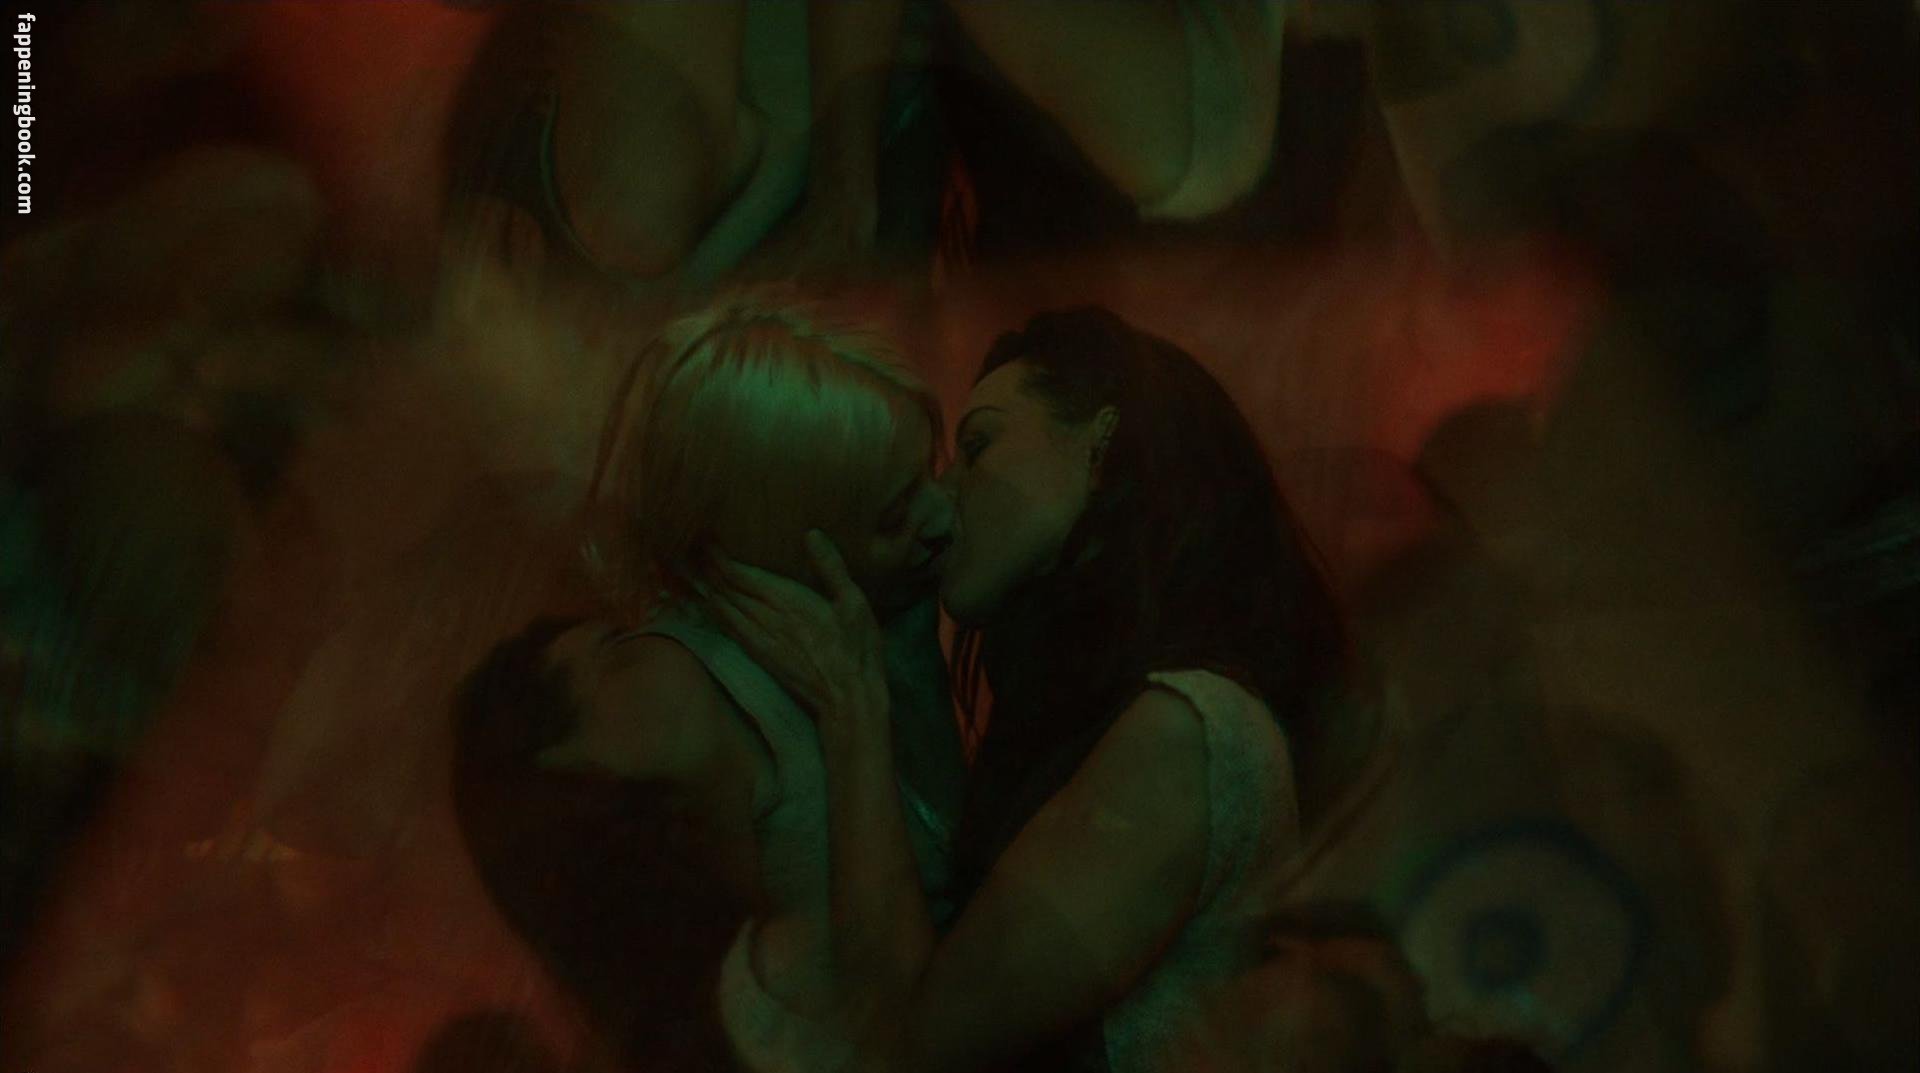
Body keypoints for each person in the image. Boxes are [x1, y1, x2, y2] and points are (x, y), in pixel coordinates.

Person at [714, 306, 1358, 1072]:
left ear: (1101, 443)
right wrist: (910, 659)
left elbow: (913, 1042)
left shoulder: (1185, 731)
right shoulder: (1112, 713)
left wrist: (851, 701)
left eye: (978, 446)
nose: (944, 495)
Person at [450, 293, 964, 1070]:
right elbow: (903, 1012)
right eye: (892, 513)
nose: (942, 515)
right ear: (781, 537)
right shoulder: (686, 697)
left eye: (932, 470)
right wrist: (854, 704)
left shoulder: (823, 628)